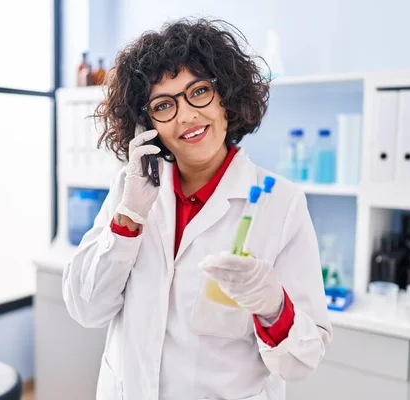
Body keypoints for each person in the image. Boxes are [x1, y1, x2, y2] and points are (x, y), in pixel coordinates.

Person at [63, 18, 332, 400]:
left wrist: (272, 306)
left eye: (200, 91)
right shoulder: (131, 191)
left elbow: (302, 361)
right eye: (164, 105)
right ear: (146, 124)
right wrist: (127, 221)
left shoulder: (281, 204)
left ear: (227, 98)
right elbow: (86, 308)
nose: (186, 115)